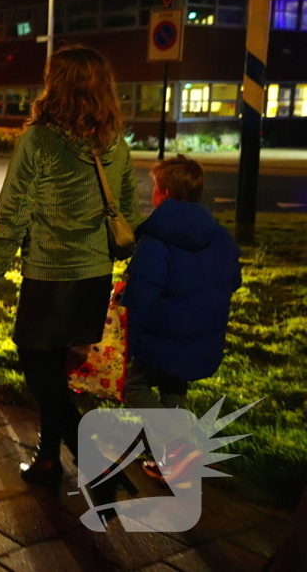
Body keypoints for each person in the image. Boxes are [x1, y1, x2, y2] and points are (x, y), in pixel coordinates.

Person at [0, 45, 138, 488]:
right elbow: (128, 212)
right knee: (56, 369)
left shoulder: (39, 141)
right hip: (94, 278)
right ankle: (48, 460)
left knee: (40, 369)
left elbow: (13, 213)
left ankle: (98, 465)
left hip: (50, 277)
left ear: (56, 85)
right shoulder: (116, 145)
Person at [122, 155, 241, 478]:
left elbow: (140, 298)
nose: (152, 193)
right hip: (199, 334)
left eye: (154, 187)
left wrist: (125, 344)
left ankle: (181, 446)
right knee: (174, 388)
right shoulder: (218, 234)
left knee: (133, 387)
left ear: (164, 193)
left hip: (161, 335)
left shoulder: (157, 239)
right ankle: (171, 461)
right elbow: (234, 279)